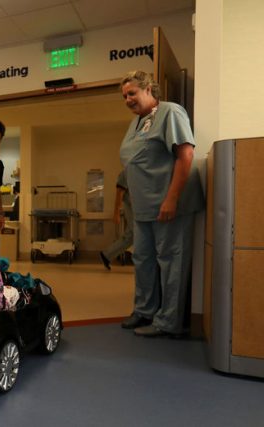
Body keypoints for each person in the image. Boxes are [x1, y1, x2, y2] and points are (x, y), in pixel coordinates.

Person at [117, 71, 203, 337]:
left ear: (149, 89)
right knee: (142, 258)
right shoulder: (138, 122)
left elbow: (185, 154)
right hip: (144, 206)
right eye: (124, 96)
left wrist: (171, 199)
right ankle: (144, 310)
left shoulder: (170, 112)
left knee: (171, 261)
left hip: (168, 204)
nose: (128, 99)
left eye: (132, 93)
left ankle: (168, 322)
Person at [100, 170, 134, 270]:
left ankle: (107, 255)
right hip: (131, 206)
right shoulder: (127, 171)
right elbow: (119, 192)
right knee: (133, 234)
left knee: (132, 235)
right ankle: (107, 254)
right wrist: (116, 213)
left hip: (139, 207)